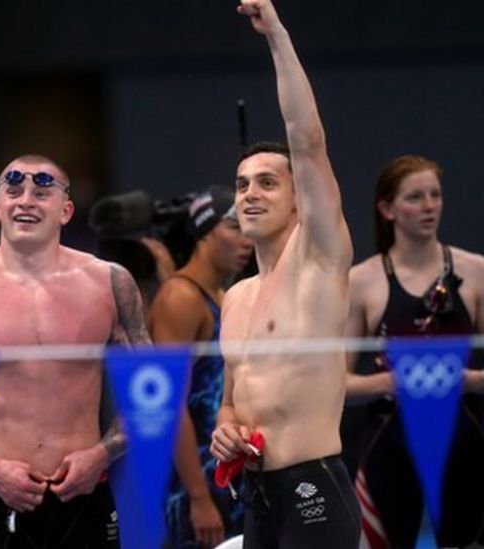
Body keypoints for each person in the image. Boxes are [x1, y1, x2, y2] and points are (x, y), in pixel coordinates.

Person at [0, 154, 151, 548]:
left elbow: (151, 395)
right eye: (14, 190)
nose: (26, 201)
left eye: (42, 192)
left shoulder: (109, 283)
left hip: (85, 495)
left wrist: (101, 456)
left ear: (66, 210)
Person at [209, 1, 361, 547]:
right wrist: (225, 427)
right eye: (243, 183)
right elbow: (231, 396)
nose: (250, 193)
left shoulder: (318, 260)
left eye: (268, 183)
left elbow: (307, 140)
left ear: (302, 201)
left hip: (312, 489)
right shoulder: (236, 297)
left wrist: (276, 34)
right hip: (257, 497)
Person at [344, 155, 484, 547]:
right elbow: (333, 382)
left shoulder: (475, 272)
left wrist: (470, 380)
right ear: (387, 209)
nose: (428, 207)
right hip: (390, 443)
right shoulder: (362, 281)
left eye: (435, 195)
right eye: (415, 197)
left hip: (465, 439)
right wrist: (388, 382)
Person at [151, 186, 252, 548]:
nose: (247, 239)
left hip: (227, 471)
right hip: (193, 481)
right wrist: (198, 497)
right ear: (205, 232)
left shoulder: (225, 297)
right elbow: (170, 404)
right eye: (235, 228)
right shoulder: (180, 298)